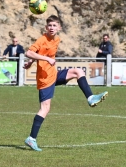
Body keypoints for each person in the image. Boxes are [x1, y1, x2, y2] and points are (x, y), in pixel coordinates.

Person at [23, 15, 108, 152]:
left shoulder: (57, 39)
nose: (51, 28)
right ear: (46, 27)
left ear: (59, 27)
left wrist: (31, 62)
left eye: (54, 25)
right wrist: (42, 59)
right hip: (45, 79)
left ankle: (90, 98)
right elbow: (29, 52)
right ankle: (31, 139)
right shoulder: (42, 39)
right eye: (49, 25)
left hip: (54, 74)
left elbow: (36, 54)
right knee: (45, 109)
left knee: (78, 71)